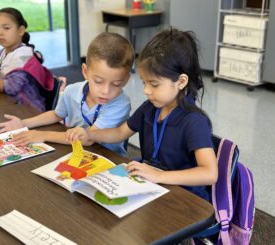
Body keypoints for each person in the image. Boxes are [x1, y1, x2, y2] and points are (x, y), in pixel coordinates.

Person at [66, 28, 218, 200]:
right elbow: (120, 132)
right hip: (151, 185)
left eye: (154, 84)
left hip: (184, 196)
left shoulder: (194, 121)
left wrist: (160, 176)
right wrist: (89, 134)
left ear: (181, 82)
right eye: (144, 82)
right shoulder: (151, 108)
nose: (146, 91)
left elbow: (210, 173)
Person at [0, 32, 134, 156]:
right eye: (98, 81)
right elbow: (56, 115)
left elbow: (88, 139)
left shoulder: (120, 103)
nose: (106, 91)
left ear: (126, 79)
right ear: (85, 71)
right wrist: (23, 123)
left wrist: (41, 135)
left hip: (108, 158)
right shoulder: (72, 91)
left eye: (116, 84)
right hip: (73, 150)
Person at [0, 7, 56, 112]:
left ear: (21, 30)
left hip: (27, 109)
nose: (0, 33)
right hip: (8, 103)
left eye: (6, 28)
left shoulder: (24, 56)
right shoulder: (1, 53)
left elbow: (11, 87)